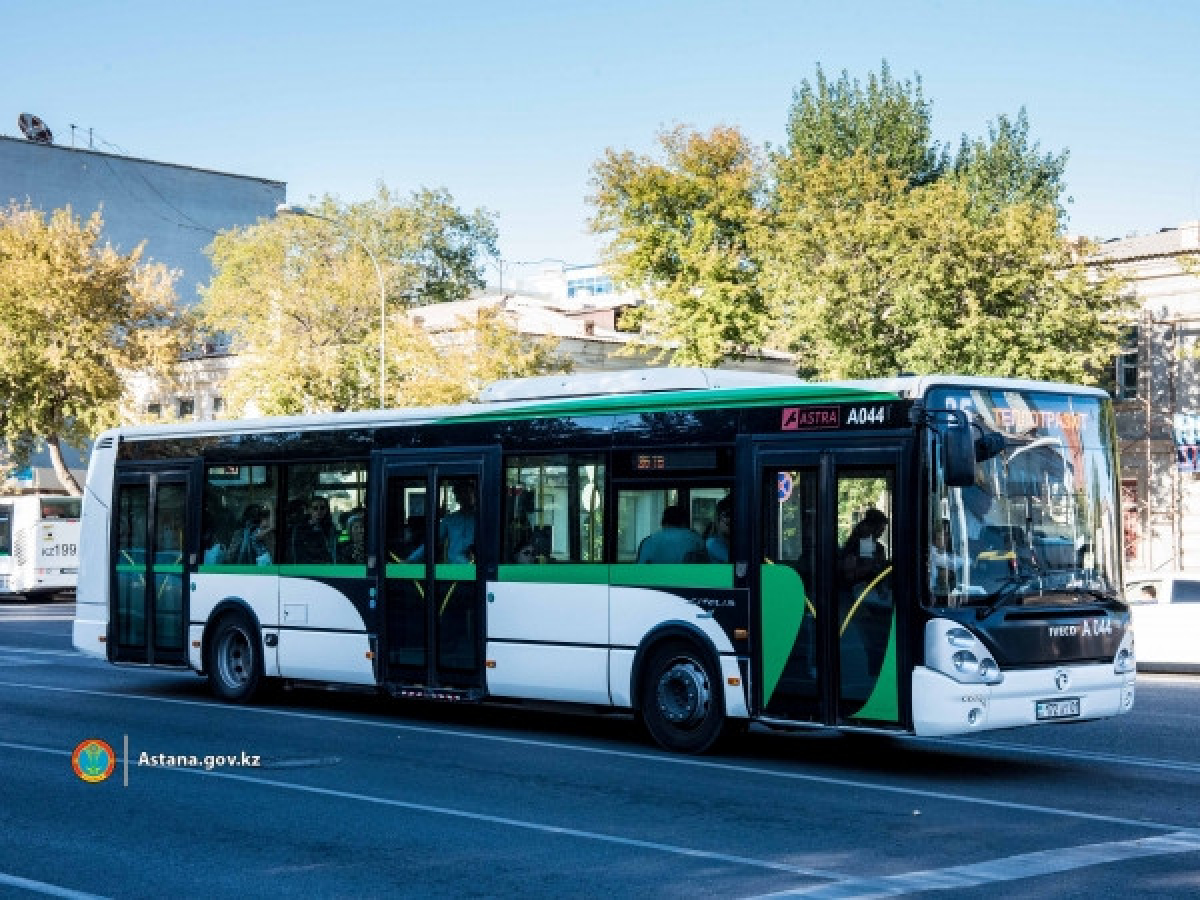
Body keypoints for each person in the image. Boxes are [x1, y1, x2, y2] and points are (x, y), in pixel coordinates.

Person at [408, 481, 477, 564]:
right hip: (454, 570)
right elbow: (431, 542)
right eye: (461, 493)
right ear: (457, 497)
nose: (466, 497)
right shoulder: (449, 519)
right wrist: (410, 560)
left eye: (468, 492)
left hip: (476, 570)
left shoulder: (484, 518)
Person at [637, 504, 708, 563]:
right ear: (685, 523)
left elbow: (640, 572)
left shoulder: (648, 542)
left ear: (663, 523)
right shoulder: (696, 540)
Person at [291, 495, 337, 563]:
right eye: (315, 508)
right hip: (308, 567)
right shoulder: (300, 528)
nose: (319, 511)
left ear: (326, 510)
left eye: (322, 508)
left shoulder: (330, 527)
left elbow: (333, 549)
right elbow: (297, 552)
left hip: (326, 567)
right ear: (309, 510)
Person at [705, 497, 732, 563]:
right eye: (727, 515)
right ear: (718, 519)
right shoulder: (713, 543)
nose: (730, 519)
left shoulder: (727, 541)